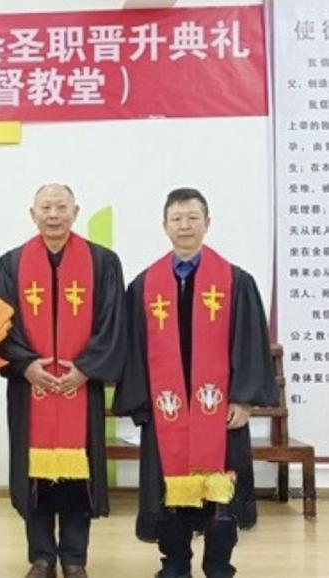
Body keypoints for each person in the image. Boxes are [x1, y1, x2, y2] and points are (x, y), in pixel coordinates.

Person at [113, 187, 277, 578]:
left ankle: (219, 564)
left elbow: (250, 342)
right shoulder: (143, 286)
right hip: (166, 410)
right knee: (171, 488)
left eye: (192, 218)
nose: (185, 226)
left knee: (220, 487)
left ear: (207, 223)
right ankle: (175, 563)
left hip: (219, 413)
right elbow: (132, 349)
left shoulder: (236, 282)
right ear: (164, 226)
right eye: (176, 219)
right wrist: (143, 403)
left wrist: (242, 399)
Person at [0, 184, 126, 578]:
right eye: (46, 207)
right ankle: (41, 556)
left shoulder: (103, 263)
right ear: (32, 214)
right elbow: (0, 324)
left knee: (77, 475)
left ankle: (75, 558)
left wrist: (84, 369)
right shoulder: (11, 264)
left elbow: (111, 323)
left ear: (76, 211)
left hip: (80, 389)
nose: (54, 214)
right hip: (29, 388)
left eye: (61, 207)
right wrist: (27, 364)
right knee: (34, 474)